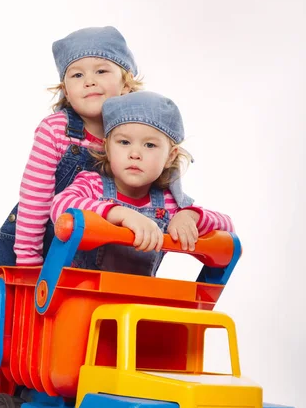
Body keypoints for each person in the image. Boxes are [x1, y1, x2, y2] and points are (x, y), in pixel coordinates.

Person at [0, 26, 147, 408]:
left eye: (102, 70)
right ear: (64, 87)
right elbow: (35, 197)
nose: (90, 80)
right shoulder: (57, 131)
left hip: (90, 252)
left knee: (67, 338)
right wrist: (28, 259)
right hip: (30, 239)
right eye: (77, 74)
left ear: (126, 81)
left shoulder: (133, 135)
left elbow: (161, 186)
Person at [50, 91, 234, 277]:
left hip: (137, 300)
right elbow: (60, 206)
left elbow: (227, 228)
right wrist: (118, 213)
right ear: (107, 148)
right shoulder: (93, 185)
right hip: (83, 293)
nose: (135, 154)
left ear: (170, 156)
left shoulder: (169, 205)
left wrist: (190, 216)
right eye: (124, 142)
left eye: (149, 145)